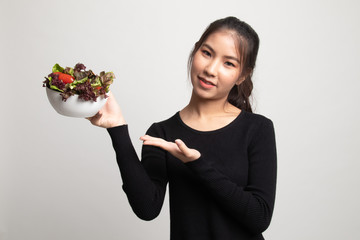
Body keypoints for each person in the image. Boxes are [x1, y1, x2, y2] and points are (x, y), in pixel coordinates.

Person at [89, 16, 277, 240]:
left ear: (242, 75)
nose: (211, 69)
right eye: (206, 53)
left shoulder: (257, 129)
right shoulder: (162, 133)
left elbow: (260, 218)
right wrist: (117, 129)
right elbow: (147, 209)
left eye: (229, 63)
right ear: (195, 51)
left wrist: (196, 164)